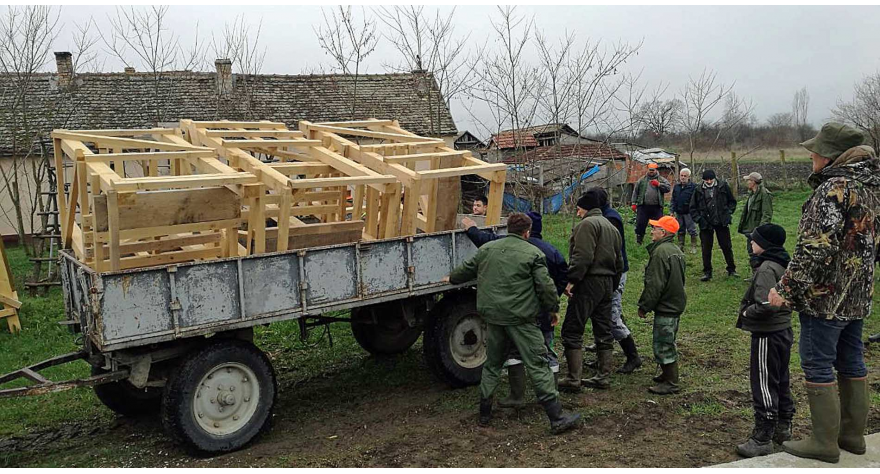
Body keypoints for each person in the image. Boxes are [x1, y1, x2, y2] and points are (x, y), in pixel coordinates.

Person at [768, 122, 880, 464]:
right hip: (857, 297)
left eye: (815, 151)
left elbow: (814, 248)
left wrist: (785, 289)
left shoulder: (833, 189)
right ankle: (852, 436)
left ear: (829, 155)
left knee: (818, 363)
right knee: (852, 361)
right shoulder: (871, 187)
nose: (811, 155)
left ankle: (823, 441)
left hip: (824, 298)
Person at [446, 213, 581, 434]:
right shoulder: (533, 254)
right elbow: (546, 288)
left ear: (507, 229)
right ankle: (556, 417)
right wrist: (553, 310)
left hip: (493, 317)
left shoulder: (488, 249)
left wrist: (451, 278)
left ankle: (484, 413)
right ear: (527, 232)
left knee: (492, 365)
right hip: (522, 320)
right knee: (538, 364)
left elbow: (465, 270)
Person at [459, 211, 567, 404]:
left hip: (515, 312)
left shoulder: (498, 247)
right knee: (545, 352)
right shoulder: (550, 251)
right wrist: (553, 307)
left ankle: (516, 396)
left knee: (513, 352)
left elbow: (484, 241)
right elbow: (558, 281)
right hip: (540, 312)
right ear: (530, 230)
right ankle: (552, 396)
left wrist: (471, 228)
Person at [734, 224, 794, 458]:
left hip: (767, 334)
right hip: (783, 331)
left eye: (754, 240)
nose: (751, 242)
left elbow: (766, 305)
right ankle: (783, 426)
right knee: (781, 379)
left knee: (764, 382)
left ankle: (762, 436)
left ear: (766, 244)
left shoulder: (767, 269)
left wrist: (747, 312)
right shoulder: (782, 264)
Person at [559, 189, 624, 392]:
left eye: (578, 209)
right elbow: (619, 260)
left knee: (572, 328)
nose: (577, 213)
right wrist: (612, 285)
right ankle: (603, 376)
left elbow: (583, 257)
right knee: (603, 330)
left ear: (585, 208)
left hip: (588, 282)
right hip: (607, 282)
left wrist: (571, 281)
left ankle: (573, 378)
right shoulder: (610, 226)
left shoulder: (587, 225)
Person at [583, 188, 642, 375]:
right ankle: (603, 354)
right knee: (604, 313)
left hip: (613, 272)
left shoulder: (611, 219)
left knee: (611, 315)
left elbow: (610, 250)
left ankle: (633, 356)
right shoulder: (606, 215)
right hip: (608, 271)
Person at [637, 216, 686, 395]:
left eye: (655, 228)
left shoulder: (660, 253)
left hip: (667, 306)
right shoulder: (675, 250)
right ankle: (666, 375)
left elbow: (654, 284)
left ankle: (671, 382)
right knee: (668, 339)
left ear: (663, 232)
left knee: (663, 343)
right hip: (675, 302)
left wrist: (644, 306)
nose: (651, 231)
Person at [689, 169, 738, 281]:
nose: (709, 181)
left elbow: (732, 202)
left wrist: (727, 213)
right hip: (705, 223)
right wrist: (699, 219)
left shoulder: (723, 186)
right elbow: (692, 207)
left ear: (715, 178)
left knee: (726, 246)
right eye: (707, 179)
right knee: (706, 248)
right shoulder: (698, 189)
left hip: (721, 222)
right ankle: (707, 272)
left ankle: (731, 269)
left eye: (711, 179)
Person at [737, 172, 773, 272]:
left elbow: (767, 214)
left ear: (753, 182)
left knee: (759, 254)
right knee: (751, 252)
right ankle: (755, 275)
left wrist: (760, 231)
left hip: (757, 230)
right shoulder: (752, 194)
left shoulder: (764, 194)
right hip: (750, 229)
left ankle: (761, 276)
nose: (747, 182)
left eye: (748, 180)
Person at [631, 163, 671, 245]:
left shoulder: (661, 179)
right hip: (643, 206)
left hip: (656, 207)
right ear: (647, 170)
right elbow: (635, 192)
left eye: (653, 170)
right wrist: (634, 203)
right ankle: (639, 240)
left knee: (658, 225)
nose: (651, 171)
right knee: (640, 224)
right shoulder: (641, 180)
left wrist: (659, 185)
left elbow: (668, 188)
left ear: (656, 170)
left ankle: (657, 241)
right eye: (650, 170)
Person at [670, 167, 698, 254]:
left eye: (685, 176)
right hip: (679, 212)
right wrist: (672, 211)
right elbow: (673, 199)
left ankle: (693, 246)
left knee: (692, 230)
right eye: (681, 175)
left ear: (689, 177)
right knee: (680, 229)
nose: (683, 177)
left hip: (689, 213)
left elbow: (697, 200)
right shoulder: (677, 187)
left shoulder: (694, 187)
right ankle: (681, 246)